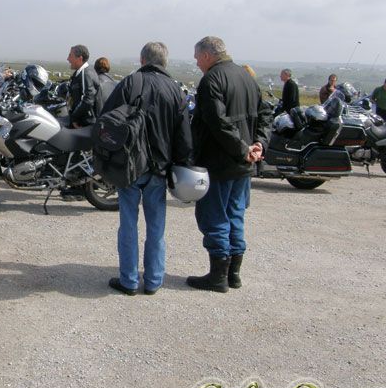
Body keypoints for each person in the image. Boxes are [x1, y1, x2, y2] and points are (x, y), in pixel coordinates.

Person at [101, 42, 193, 296]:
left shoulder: (131, 83)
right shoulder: (176, 90)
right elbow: (184, 136)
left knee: (128, 224)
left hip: (130, 166)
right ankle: (153, 280)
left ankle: (129, 280)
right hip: (160, 169)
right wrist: (180, 167)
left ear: (142, 59)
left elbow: (107, 120)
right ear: (165, 61)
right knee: (156, 228)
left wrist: (107, 160)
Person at [188, 36, 273, 293]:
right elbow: (266, 114)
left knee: (214, 217)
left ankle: (217, 278)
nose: (196, 63)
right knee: (236, 215)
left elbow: (218, 122)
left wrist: (245, 148)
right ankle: (233, 275)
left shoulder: (211, 80)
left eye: (196, 57)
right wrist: (259, 144)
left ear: (206, 55)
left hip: (220, 162)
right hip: (243, 163)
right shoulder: (246, 76)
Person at [66, 44, 100, 128]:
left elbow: (88, 99)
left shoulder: (86, 74)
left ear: (80, 58)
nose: (68, 59)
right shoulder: (81, 73)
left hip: (83, 124)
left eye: (70, 55)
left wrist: (74, 118)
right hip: (81, 121)